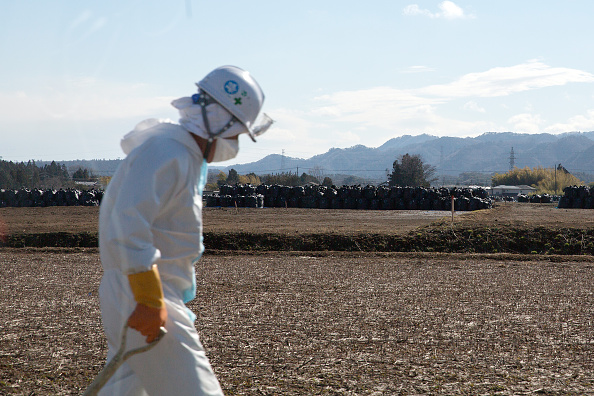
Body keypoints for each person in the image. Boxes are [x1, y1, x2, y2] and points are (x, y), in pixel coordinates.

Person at [97, 65, 273, 395]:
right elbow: (126, 223)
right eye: (235, 133)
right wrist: (149, 297)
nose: (234, 143)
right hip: (144, 292)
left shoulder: (184, 155)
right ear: (221, 121)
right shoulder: (168, 151)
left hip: (145, 291)